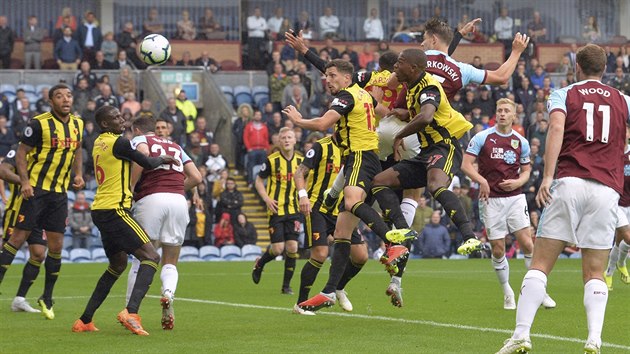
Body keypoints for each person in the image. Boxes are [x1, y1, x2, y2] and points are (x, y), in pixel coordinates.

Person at [496, 44, 630, 354]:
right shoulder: (624, 100)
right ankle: (594, 339)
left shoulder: (564, 93)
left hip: (569, 182)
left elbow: (556, 127)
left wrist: (546, 177)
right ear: (605, 68)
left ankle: (521, 335)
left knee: (540, 264)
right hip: (607, 189)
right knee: (595, 272)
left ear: (577, 67)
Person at [282, 60, 413, 311]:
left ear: (346, 78)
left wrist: (298, 120)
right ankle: (330, 291)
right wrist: (400, 122)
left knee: (353, 203)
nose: (327, 80)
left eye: (332, 76)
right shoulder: (363, 94)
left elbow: (322, 124)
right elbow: (383, 110)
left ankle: (391, 243)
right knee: (342, 232)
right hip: (363, 157)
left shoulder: (346, 96)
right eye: (326, 76)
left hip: (359, 157)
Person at [71, 106, 177, 335]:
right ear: (105, 124)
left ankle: (85, 320)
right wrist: (164, 158)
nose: (122, 119)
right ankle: (131, 312)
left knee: (117, 265)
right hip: (115, 209)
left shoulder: (100, 141)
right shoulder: (120, 143)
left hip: (100, 209)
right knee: (151, 257)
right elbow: (147, 162)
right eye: (115, 117)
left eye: (121, 115)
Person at [461, 98, 556, 310]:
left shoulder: (520, 141)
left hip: (515, 198)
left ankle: (539, 291)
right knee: (497, 248)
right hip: (490, 199)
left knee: (528, 243)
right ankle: (507, 292)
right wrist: (482, 181)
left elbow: (526, 171)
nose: (502, 113)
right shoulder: (482, 137)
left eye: (506, 111)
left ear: (514, 116)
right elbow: (466, 165)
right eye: (499, 110)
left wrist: (519, 181)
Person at [0, 84, 84, 319]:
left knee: (51, 249)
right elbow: (20, 154)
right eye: (59, 96)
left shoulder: (78, 124)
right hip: (35, 192)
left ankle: (46, 297)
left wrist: (77, 174)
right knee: (16, 240)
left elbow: (77, 150)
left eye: (68, 95)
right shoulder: (38, 123)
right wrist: (25, 182)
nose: (65, 99)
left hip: (58, 194)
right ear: (51, 101)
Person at [126, 115, 202, 330]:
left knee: (141, 257)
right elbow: (196, 177)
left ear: (138, 130)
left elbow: (142, 154)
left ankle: (131, 311)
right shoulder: (176, 145)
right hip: (178, 201)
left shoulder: (140, 141)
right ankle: (168, 293)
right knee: (170, 258)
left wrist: (131, 188)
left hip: (151, 199)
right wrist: (176, 189)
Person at [292, 135, 369, 314]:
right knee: (320, 253)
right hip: (317, 207)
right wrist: (302, 195)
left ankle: (338, 288)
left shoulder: (356, 148)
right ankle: (301, 304)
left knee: (361, 256)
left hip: (342, 211)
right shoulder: (321, 146)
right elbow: (299, 172)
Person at [252, 127, 303, 294]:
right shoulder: (271, 161)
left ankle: (286, 286)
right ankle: (260, 263)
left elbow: (308, 180)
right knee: (278, 249)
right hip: (276, 210)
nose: (287, 140)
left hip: (294, 209)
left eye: (290, 137)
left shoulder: (302, 161)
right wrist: (266, 198)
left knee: (293, 248)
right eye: (284, 138)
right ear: (279, 141)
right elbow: (259, 181)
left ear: (295, 140)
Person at [0, 145, 46, 313]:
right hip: (18, 209)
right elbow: (3, 170)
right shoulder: (19, 149)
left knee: (39, 253)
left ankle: (19, 299)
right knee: (7, 249)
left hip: (40, 211)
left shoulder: (50, 152)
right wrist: (24, 181)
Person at [604, 125, 630, 291]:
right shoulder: (611, 153)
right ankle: (618, 264)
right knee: (627, 237)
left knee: (621, 241)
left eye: (625, 130)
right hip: (616, 203)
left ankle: (610, 270)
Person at [243, 110, 270, 187]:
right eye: (256, 115)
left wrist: (266, 148)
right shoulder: (249, 126)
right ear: (254, 116)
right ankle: (250, 181)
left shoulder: (264, 127)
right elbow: (245, 137)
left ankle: (262, 183)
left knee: (263, 166)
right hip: (252, 149)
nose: (258, 116)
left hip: (262, 149)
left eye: (259, 115)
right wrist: (248, 148)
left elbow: (266, 138)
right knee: (251, 165)